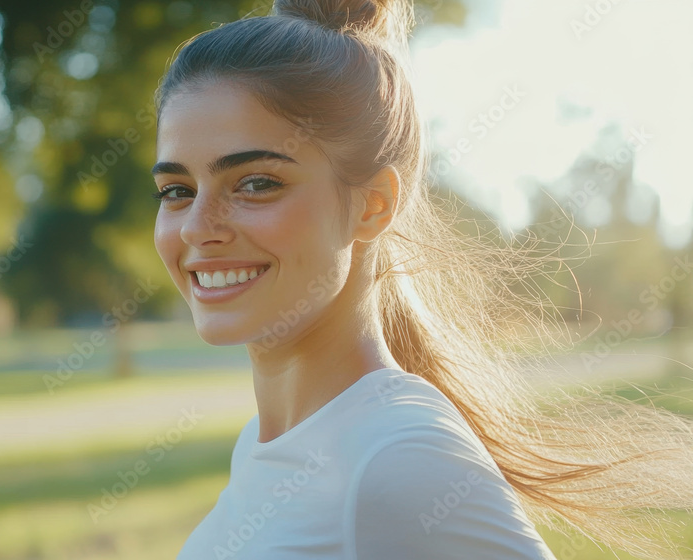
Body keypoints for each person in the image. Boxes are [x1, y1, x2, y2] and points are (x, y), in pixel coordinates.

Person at [150, 0, 693, 559]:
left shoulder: (399, 460)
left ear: (374, 204)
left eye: (256, 183)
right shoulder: (269, 443)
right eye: (176, 190)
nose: (196, 228)